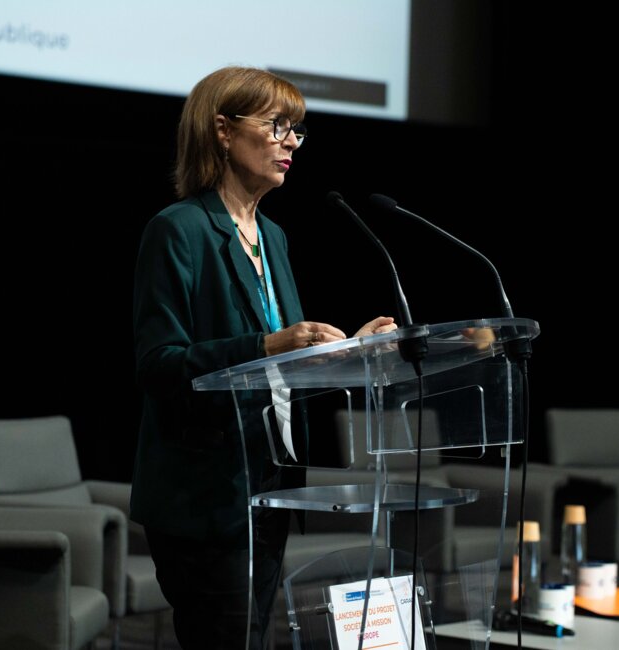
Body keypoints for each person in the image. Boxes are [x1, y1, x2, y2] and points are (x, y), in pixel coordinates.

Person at [130, 65, 396, 649]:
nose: (291, 142)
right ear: (223, 131)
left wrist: (351, 347)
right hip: (204, 493)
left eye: (298, 129)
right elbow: (159, 363)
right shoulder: (178, 231)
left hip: (270, 482)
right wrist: (268, 344)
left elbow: (283, 366)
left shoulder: (274, 236)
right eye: (277, 126)